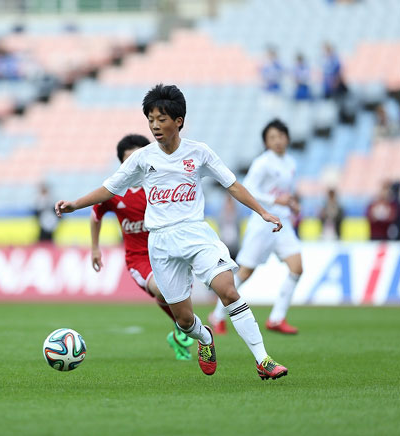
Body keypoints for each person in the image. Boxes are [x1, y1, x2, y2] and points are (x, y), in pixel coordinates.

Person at [55, 84, 288, 380]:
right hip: (161, 243)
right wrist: (75, 204)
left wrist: (262, 212)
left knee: (229, 291)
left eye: (161, 119)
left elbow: (232, 185)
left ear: (178, 121)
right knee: (185, 320)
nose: (154, 125)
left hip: (196, 234)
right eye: (150, 119)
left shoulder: (199, 152)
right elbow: (109, 188)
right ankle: (204, 336)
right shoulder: (142, 158)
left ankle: (263, 360)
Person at [90, 134, 195, 361]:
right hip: (139, 259)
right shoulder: (114, 191)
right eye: (129, 160)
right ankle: (182, 327)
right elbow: (95, 215)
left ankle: (179, 332)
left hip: (169, 253)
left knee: (182, 295)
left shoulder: (161, 186)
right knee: (163, 289)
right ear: (122, 164)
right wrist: (95, 248)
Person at [208, 119, 303, 336]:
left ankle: (277, 318)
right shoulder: (262, 163)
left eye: (280, 136)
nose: (277, 141)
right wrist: (274, 200)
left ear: (287, 138)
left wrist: (291, 203)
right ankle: (217, 315)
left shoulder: (290, 162)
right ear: (266, 142)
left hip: (283, 223)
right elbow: (248, 189)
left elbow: (285, 192)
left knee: (297, 268)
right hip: (262, 223)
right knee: (245, 272)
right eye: (272, 137)